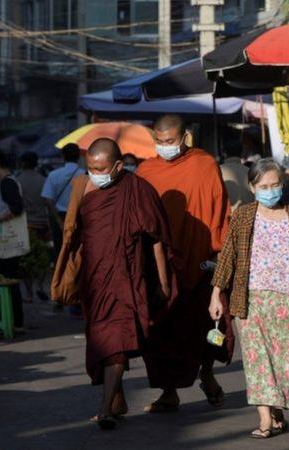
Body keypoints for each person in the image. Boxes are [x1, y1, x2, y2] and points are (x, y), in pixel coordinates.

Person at [54, 138, 175, 430]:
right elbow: (72, 233)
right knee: (103, 342)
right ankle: (117, 399)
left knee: (117, 340)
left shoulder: (138, 190)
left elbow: (156, 238)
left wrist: (162, 281)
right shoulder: (83, 188)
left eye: (102, 168)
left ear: (118, 166)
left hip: (127, 277)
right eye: (91, 167)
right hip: (94, 280)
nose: (96, 173)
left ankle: (106, 407)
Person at [209, 158, 289, 439]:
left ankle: (276, 408)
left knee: (286, 361)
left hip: (286, 300)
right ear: (252, 187)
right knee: (257, 359)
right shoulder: (244, 216)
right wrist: (216, 294)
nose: (270, 190)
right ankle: (264, 418)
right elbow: (227, 258)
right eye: (264, 186)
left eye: (275, 185)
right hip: (249, 300)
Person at [136, 114, 231, 413]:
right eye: (160, 142)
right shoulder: (145, 170)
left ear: (185, 137)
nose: (165, 147)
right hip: (161, 266)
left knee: (204, 326)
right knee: (162, 331)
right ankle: (168, 392)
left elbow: (218, 209)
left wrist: (219, 255)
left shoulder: (204, 164)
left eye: (171, 141)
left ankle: (207, 373)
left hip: (200, 260)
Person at [0, 150, 29, 331]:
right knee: (9, 279)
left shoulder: (7, 183)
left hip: (6, 240)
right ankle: (14, 320)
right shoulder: (8, 182)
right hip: (6, 239)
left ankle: (16, 322)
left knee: (8, 280)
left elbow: (17, 208)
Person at [18, 151, 50, 302]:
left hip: (25, 224)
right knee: (42, 258)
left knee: (26, 259)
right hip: (42, 223)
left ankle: (29, 293)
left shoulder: (18, 181)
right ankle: (41, 286)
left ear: (23, 163)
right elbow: (48, 203)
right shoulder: (44, 180)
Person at [42, 143, 85, 257]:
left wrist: (59, 222)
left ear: (63, 156)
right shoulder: (85, 176)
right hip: (79, 217)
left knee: (59, 250)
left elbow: (47, 199)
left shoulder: (53, 175)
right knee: (77, 251)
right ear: (79, 156)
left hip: (59, 217)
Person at [220, 142, 254, 211]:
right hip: (249, 216)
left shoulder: (217, 171)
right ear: (242, 153)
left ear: (224, 153)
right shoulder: (251, 171)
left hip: (228, 218)